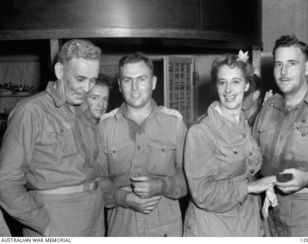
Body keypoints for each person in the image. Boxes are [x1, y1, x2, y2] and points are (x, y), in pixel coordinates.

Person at [0, 39, 105, 236]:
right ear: (59, 71)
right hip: (56, 220)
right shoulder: (30, 111)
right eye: (80, 79)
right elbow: (5, 183)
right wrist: (44, 225)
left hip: (95, 218)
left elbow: (93, 167)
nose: (87, 88)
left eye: (93, 80)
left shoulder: (86, 111)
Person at [183, 52, 276, 236]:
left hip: (247, 225)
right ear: (215, 86)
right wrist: (249, 188)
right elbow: (201, 193)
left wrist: (265, 188)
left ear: (247, 85)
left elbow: (246, 172)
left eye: (235, 82)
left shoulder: (246, 126)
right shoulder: (201, 132)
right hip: (213, 229)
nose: (228, 90)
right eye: (222, 82)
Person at [97, 52, 188, 236]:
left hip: (166, 231)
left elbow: (190, 178)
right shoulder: (104, 126)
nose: (135, 87)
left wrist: (161, 186)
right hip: (121, 231)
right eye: (128, 80)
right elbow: (96, 181)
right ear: (120, 86)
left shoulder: (175, 123)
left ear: (153, 82)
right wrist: (124, 198)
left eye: (141, 79)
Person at [253, 35, 308, 236]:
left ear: (307, 68)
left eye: (292, 64)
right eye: (278, 64)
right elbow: (249, 157)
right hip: (268, 213)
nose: (283, 72)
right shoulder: (267, 107)